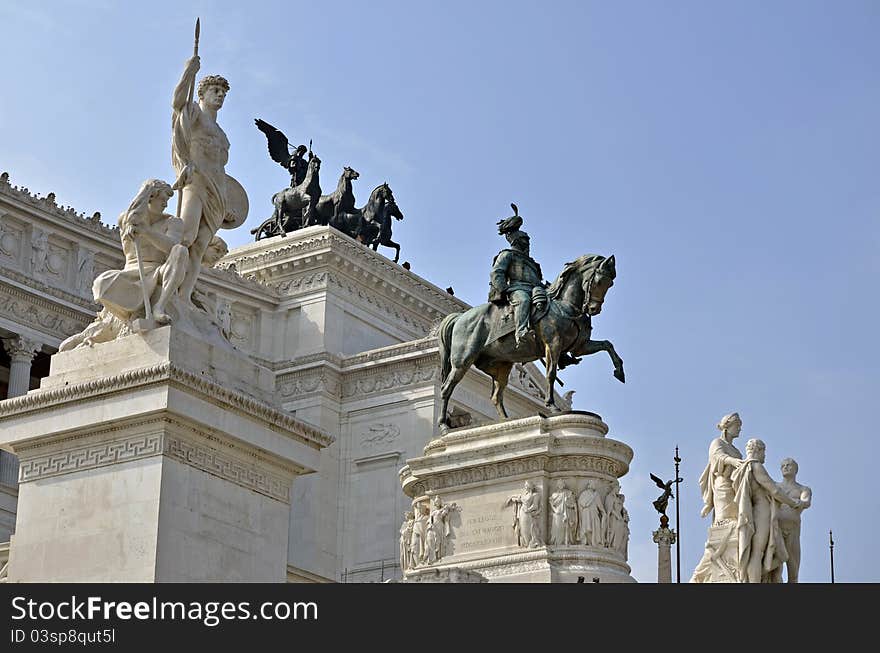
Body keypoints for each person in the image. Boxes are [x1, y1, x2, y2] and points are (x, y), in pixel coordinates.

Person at [171, 54, 231, 308]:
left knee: (201, 245)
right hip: (196, 180)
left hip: (217, 189)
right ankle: (169, 286)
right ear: (202, 94)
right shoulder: (194, 113)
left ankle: (184, 295)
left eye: (223, 93)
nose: (220, 96)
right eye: (215, 91)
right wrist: (188, 71)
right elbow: (177, 102)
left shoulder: (222, 133)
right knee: (186, 235)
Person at [731, 439, 802, 583]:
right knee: (758, 552)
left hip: (755, 511)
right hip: (762, 511)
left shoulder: (743, 467)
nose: (765, 456)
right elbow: (774, 490)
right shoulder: (756, 466)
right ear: (758, 451)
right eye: (764, 452)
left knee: (765, 553)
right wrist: (793, 502)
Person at [489, 208, 546, 348]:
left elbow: (537, 280)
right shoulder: (507, 254)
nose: (527, 243)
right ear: (517, 241)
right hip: (517, 288)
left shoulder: (533, 263)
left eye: (527, 241)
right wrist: (504, 290)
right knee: (523, 300)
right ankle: (521, 332)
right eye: (524, 241)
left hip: (535, 290)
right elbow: (497, 273)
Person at [770, 457, 812, 583]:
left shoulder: (803, 489)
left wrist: (801, 502)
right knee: (776, 564)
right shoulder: (775, 486)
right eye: (783, 466)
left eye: (789, 465)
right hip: (776, 529)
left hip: (793, 530)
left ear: (795, 470)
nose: (786, 467)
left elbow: (806, 501)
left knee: (793, 566)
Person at [699, 412, 745, 524]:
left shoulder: (737, 451)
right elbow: (718, 456)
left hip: (736, 486)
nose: (739, 429)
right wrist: (732, 461)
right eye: (737, 426)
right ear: (728, 427)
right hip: (723, 485)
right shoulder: (717, 442)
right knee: (725, 520)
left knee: (736, 520)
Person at [505, 480, 544, 547]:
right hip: (522, 513)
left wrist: (528, 510)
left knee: (528, 529)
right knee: (522, 529)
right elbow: (518, 497)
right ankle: (526, 544)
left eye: (526, 485)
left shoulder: (535, 495)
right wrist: (511, 498)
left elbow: (535, 506)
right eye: (525, 485)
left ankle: (530, 543)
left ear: (530, 486)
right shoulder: (525, 495)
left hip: (528, 514)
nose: (525, 487)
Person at [577, 479, 606, 546]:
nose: (594, 486)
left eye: (594, 484)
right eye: (593, 484)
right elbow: (581, 503)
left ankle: (594, 542)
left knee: (595, 527)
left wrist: (603, 512)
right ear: (590, 485)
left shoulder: (596, 495)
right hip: (586, 513)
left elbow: (600, 505)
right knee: (587, 528)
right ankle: (587, 542)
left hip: (594, 513)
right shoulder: (584, 493)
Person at [548, 480, 577, 545]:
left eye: (562, 484)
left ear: (564, 485)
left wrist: (567, 502)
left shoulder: (568, 493)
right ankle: (557, 542)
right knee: (557, 528)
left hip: (565, 513)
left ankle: (566, 541)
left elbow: (573, 504)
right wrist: (555, 510)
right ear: (557, 485)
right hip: (557, 514)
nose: (560, 485)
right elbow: (551, 503)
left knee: (565, 528)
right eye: (559, 484)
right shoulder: (554, 495)